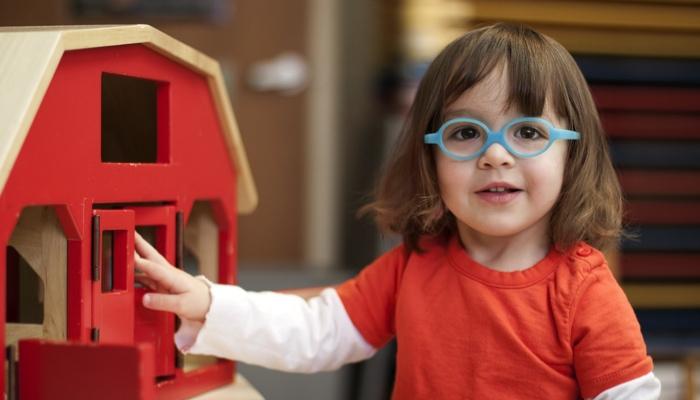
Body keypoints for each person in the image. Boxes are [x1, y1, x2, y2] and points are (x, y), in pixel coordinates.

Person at [134, 23, 661, 399]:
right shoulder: (415, 264)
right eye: (465, 133)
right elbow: (318, 332)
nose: (495, 153)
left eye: (528, 132)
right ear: (430, 158)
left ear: (574, 153)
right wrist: (207, 302)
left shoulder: (584, 289)